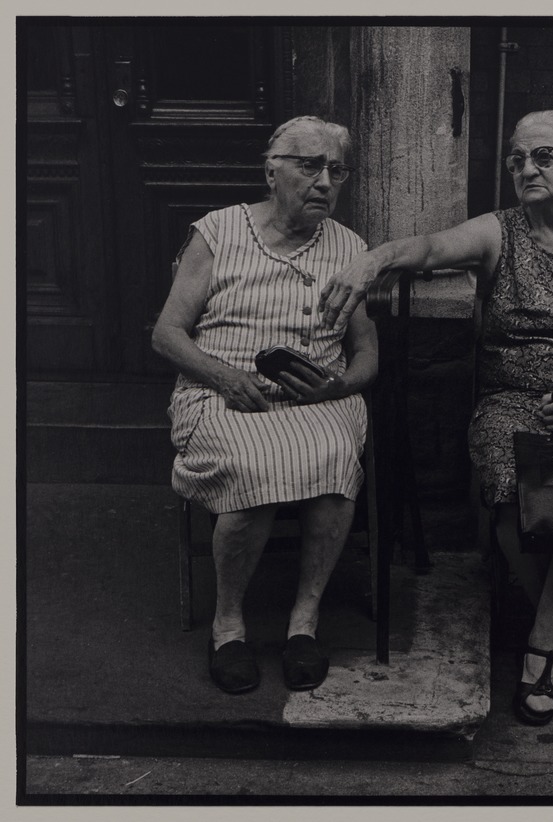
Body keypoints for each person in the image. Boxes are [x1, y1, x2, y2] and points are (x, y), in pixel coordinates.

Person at [318, 110, 553, 725]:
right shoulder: (500, 232)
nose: (525, 168)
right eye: (516, 159)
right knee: (509, 493)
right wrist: (372, 261)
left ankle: (540, 648)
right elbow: (428, 249)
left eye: (542, 157)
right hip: (515, 399)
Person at [152, 116, 378, 695]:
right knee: (253, 467)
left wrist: (340, 387)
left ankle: (304, 623)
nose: (324, 181)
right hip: (220, 390)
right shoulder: (219, 233)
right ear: (272, 169)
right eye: (309, 166)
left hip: (315, 396)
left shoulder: (349, 247)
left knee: (333, 459)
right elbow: (168, 335)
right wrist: (225, 377)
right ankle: (229, 626)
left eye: (336, 170)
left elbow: (366, 350)